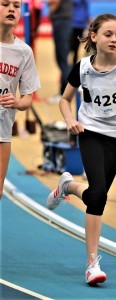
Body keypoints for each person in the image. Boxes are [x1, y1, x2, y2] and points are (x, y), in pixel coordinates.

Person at [46, 13, 116, 285]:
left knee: (95, 194)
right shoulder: (82, 67)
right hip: (90, 132)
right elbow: (65, 100)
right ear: (94, 37)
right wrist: (71, 121)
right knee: (99, 196)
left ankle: (68, 186)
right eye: (108, 34)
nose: (114, 39)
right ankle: (92, 264)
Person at [0, 0, 40, 200]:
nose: (11, 9)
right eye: (5, 4)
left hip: (2, 133)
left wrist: (16, 102)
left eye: (16, 6)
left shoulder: (24, 52)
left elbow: (27, 99)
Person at [47, 0, 72, 102]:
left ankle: (65, 93)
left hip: (61, 21)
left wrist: (51, 11)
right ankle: (66, 91)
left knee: (62, 59)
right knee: (63, 59)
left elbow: (54, 1)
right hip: (64, 21)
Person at [70, 0, 89, 66]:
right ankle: (72, 64)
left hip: (77, 24)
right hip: (76, 24)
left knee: (75, 47)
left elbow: (86, 9)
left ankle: (73, 65)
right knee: (75, 47)